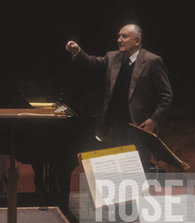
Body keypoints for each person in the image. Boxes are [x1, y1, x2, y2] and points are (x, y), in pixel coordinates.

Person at [66, 24, 172, 169]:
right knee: (119, 170)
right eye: (118, 36)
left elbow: (166, 95)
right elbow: (93, 64)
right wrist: (78, 52)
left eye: (124, 36)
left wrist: (153, 121)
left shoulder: (152, 61)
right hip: (115, 126)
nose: (119, 39)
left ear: (137, 40)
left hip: (139, 128)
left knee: (138, 169)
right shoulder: (113, 57)